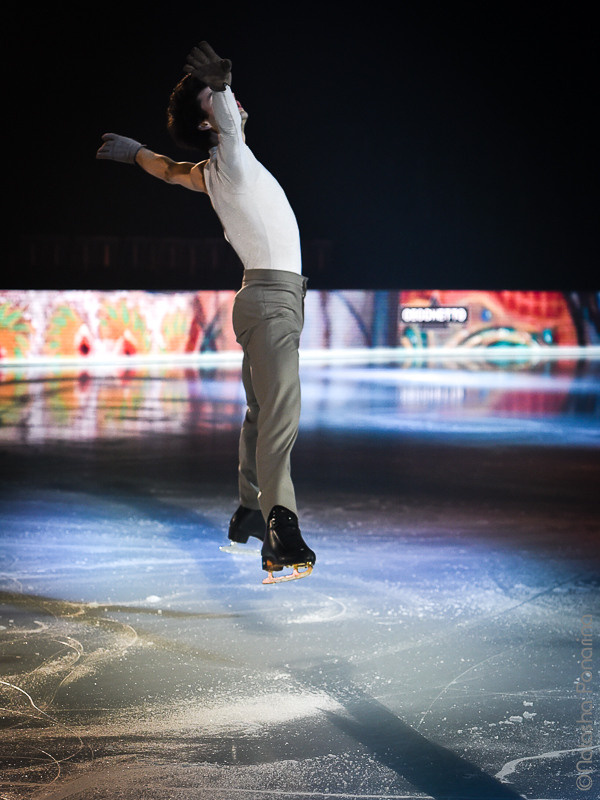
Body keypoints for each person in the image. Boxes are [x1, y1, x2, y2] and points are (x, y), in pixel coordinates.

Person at [96, 41, 315, 584]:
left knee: (262, 412)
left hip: (260, 299)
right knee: (281, 415)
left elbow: (170, 170)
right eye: (222, 107)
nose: (236, 108)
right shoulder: (232, 160)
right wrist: (218, 86)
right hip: (272, 300)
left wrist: (134, 153)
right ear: (212, 120)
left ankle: (246, 508)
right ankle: (279, 526)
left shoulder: (215, 170)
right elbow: (227, 128)